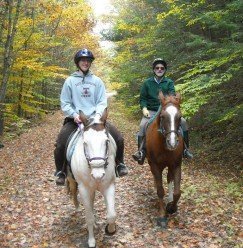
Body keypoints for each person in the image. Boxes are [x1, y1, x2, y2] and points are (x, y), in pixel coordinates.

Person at [54, 48, 128, 185]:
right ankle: (61, 171)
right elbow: (65, 102)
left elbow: (101, 101)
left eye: (88, 61)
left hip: (96, 120)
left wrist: (99, 115)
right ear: (78, 62)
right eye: (83, 60)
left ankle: (120, 164)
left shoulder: (97, 81)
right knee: (60, 143)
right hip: (75, 120)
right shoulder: (69, 81)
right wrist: (74, 114)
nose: (85, 63)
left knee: (118, 137)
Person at [132, 58, 193, 165]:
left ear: (165, 70)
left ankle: (185, 150)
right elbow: (143, 99)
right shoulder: (147, 83)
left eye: (162, 68)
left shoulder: (169, 82)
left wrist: (169, 106)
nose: (159, 69)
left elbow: (172, 96)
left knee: (183, 122)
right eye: (157, 68)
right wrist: (144, 108)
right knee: (142, 125)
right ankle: (141, 152)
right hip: (151, 111)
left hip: (166, 110)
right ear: (154, 69)